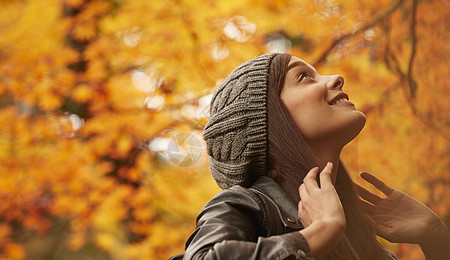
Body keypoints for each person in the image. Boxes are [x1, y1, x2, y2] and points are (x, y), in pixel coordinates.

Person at [180, 53, 450, 259]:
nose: (335, 78)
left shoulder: (362, 240)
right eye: (304, 76)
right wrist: (321, 232)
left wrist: (436, 238)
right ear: (270, 117)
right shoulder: (246, 206)